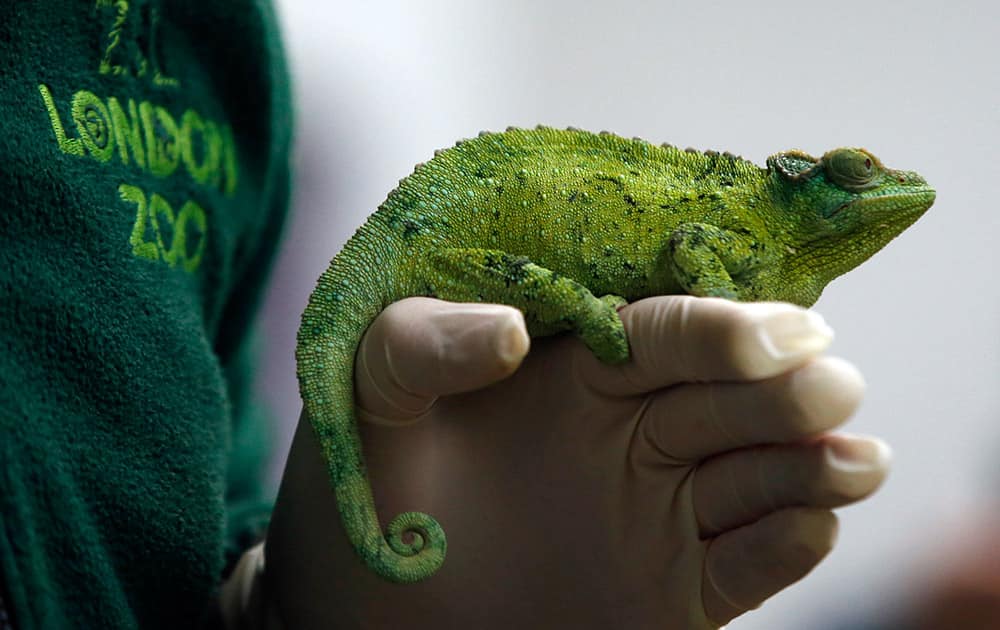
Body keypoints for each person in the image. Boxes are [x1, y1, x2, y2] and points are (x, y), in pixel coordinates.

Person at [0, 1, 889, 628]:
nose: (875, 194)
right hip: (442, 242)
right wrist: (590, 307)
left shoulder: (207, 37)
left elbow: (200, 473)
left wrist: (270, 603)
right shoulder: (735, 218)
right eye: (855, 175)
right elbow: (694, 255)